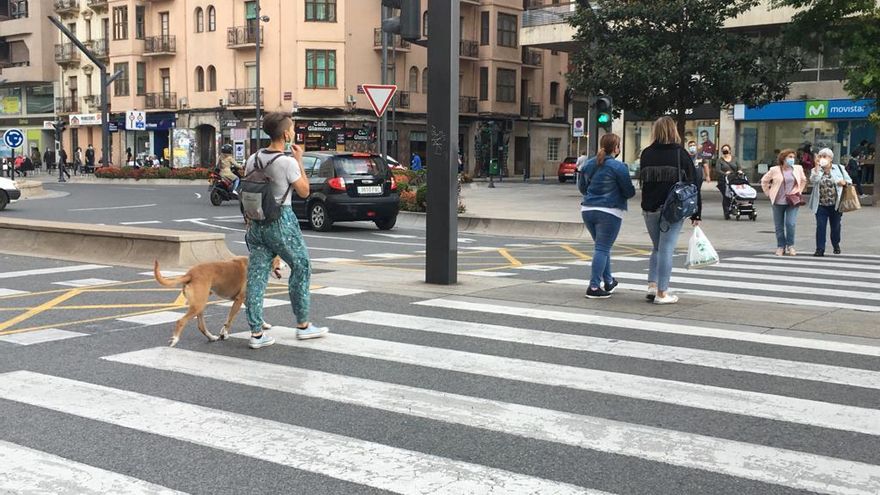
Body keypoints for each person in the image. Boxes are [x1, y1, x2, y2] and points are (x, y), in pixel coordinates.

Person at [243, 112, 328, 349]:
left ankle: (256, 333)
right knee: (301, 266)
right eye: (292, 128)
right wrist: (299, 159)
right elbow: (304, 191)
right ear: (286, 134)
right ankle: (303, 325)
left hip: (257, 223)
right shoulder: (287, 162)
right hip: (282, 222)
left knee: (256, 277)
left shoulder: (253, 158)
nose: (293, 131)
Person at [639, 116, 702, 305]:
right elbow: (693, 185)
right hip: (672, 208)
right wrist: (696, 212)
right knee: (666, 249)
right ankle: (662, 292)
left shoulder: (646, 153)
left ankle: (652, 285)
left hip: (649, 208)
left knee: (657, 247)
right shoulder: (680, 154)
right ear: (673, 130)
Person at [578, 133, 635, 299]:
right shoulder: (619, 167)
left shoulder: (588, 164)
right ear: (616, 148)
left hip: (587, 210)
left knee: (602, 247)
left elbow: (582, 188)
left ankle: (609, 281)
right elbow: (629, 192)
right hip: (609, 211)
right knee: (602, 248)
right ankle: (594, 286)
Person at [761, 149, 806, 256]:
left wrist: (799, 191)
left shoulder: (798, 168)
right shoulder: (774, 170)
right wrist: (769, 193)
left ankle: (790, 245)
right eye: (790, 157)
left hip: (793, 200)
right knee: (779, 225)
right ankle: (781, 246)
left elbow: (803, 180)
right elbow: (764, 181)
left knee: (790, 223)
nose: (792, 159)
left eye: (793, 157)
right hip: (778, 201)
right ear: (783, 158)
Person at [809, 148, 852, 257]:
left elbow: (849, 181)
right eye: (821, 156)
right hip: (820, 204)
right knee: (820, 226)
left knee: (836, 226)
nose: (822, 159)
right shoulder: (816, 170)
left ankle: (836, 243)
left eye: (825, 156)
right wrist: (817, 168)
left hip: (836, 204)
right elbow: (814, 180)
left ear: (831, 158)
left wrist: (844, 182)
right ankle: (820, 249)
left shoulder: (839, 168)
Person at [715, 144, 740, 216]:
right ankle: (726, 211)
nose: (725, 151)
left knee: (734, 195)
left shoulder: (735, 159)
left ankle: (733, 208)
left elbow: (739, 167)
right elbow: (718, 170)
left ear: (729, 150)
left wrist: (740, 171)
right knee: (726, 195)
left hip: (734, 179)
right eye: (723, 149)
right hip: (723, 180)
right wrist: (725, 173)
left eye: (726, 149)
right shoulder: (720, 160)